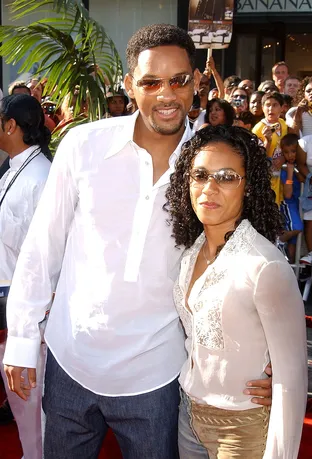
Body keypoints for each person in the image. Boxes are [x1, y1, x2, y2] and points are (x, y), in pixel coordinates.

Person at [3, 24, 272, 459]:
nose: (166, 94)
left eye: (179, 80)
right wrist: (21, 337)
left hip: (157, 374)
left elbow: (244, 259)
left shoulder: (207, 167)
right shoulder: (84, 145)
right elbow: (43, 245)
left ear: (196, 83)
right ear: (130, 85)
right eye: (150, 81)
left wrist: (270, 350)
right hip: (72, 360)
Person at [166, 124, 307, 459]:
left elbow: (292, 379)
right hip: (188, 416)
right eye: (200, 175)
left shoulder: (265, 265)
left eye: (226, 177)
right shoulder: (189, 254)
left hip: (243, 428)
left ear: (248, 187)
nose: (209, 188)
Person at [0, 94, 52, 459]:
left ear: (11, 126)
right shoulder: (16, 166)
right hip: (10, 301)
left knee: (30, 401)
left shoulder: (40, 175)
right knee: (21, 403)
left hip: (27, 309)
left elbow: (47, 257)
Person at [252, 91, 287, 205]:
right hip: (265, 179)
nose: (270, 108)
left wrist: (284, 157)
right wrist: (268, 141)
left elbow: (289, 146)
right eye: (267, 105)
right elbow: (259, 157)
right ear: (262, 108)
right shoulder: (258, 129)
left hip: (280, 177)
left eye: (275, 105)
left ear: (282, 108)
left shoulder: (283, 124)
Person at [296, 115, 312, 268]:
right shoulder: (304, 141)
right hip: (310, 184)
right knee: (310, 218)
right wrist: (311, 176)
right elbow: (301, 164)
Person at [279, 134, 304, 263]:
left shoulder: (299, 167)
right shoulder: (285, 170)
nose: (290, 155)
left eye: (293, 151)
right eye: (286, 152)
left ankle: (290, 266)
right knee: (297, 228)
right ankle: (278, 240)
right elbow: (287, 195)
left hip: (297, 203)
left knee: (293, 240)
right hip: (288, 204)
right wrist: (289, 174)